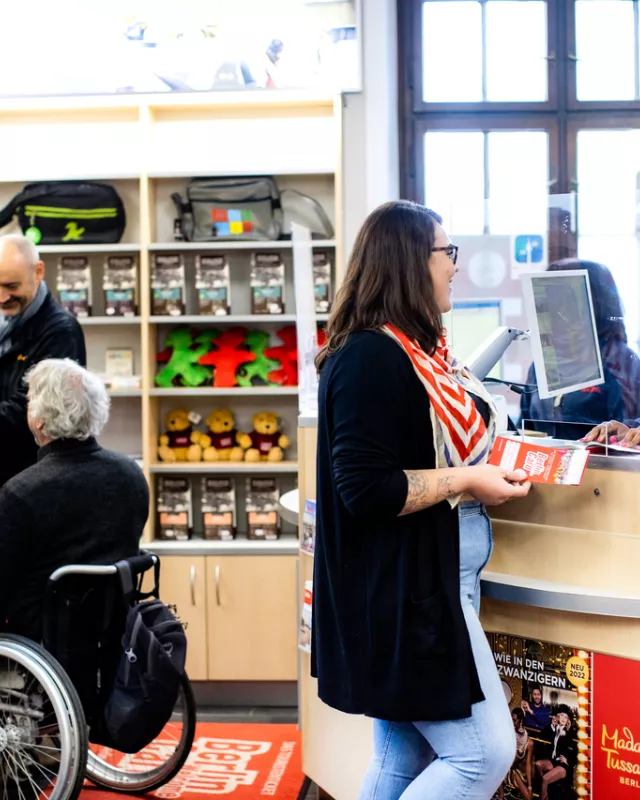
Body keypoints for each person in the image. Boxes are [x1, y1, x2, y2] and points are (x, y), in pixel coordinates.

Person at [313, 200, 532, 800]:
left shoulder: (419, 351)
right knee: (484, 754)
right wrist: (466, 480)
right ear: (411, 261)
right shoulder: (371, 356)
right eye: (447, 252)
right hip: (406, 598)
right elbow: (364, 489)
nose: (455, 267)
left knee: (402, 756)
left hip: (421, 587)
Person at [0, 358, 147, 642]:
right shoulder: (131, 475)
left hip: (41, 641)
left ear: (38, 419)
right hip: (116, 637)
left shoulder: (21, 492)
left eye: (29, 402)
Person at [0, 234, 86, 487]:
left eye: (12, 286)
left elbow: (29, 413)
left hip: (33, 479)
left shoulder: (60, 331)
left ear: (38, 272)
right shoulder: (7, 319)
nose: (2, 297)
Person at [520, 259, 640, 439]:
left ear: (592, 304)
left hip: (601, 465)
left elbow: (629, 434)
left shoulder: (619, 360)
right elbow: (526, 429)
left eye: (562, 301)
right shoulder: (543, 363)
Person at [535, 706, 576, 800]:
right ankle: (545, 792)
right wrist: (551, 726)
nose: (563, 718)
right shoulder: (556, 729)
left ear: (568, 720)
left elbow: (576, 751)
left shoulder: (570, 732)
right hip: (554, 761)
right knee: (538, 765)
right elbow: (541, 735)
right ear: (558, 716)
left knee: (545, 779)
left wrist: (568, 761)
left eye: (566, 717)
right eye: (561, 715)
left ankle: (543, 791)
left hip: (563, 766)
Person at [497, 708, 534, 800]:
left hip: (518, 772)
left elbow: (528, 765)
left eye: (514, 721)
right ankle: (501, 795)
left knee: (529, 798)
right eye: (511, 720)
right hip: (505, 768)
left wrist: (530, 786)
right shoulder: (508, 734)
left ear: (520, 721)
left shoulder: (529, 743)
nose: (512, 723)